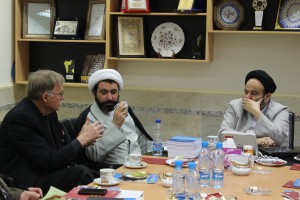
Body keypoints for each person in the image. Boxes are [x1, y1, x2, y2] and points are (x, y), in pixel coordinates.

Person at [0, 70, 104, 194]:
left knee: (90, 170)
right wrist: (80, 141)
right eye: (60, 94)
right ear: (45, 97)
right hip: (26, 183)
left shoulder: (49, 112)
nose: (63, 98)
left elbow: (58, 151)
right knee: (80, 173)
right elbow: (49, 160)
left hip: (46, 171)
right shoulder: (20, 119)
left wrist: (81, 139)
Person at [74, 69, 152, 170]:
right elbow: (94, 155)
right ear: (94, 93)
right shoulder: (88, 117)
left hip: (138, 168)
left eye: (113, 92)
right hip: (111, 172)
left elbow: (141, 140)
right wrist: (115, 125)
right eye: (104, 92)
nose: (110, 97)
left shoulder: (124, 110)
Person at [218, 70, 289, 147]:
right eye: (246, 92)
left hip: (268, 157)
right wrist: (255, 141)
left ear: (267, 97)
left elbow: (278, 138)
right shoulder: (235, 106)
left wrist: (257, 113)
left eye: (253, 93)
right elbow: (222, 136)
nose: (248, 97)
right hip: (238, 156)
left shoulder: (280, 111)